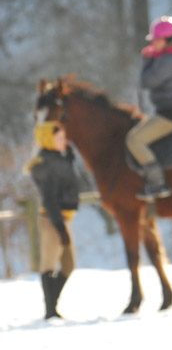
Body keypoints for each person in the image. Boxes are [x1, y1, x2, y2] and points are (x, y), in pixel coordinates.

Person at [125, 16, 172, 201]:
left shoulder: (170, 59)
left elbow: (146, 81)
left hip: (171, 115)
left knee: (134, 140)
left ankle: (157, 184)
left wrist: (147, 60)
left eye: (157, 39)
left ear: (168, 40)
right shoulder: (171, 56)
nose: (153, 43)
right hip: (168, 111)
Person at [26, 121, 79, 319]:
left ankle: (52, 305)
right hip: (52, 220)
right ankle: (50, 310)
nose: (64, 141)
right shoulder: (45, 165)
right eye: (59, 139)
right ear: (48, 140)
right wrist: (60, 227)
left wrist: (70, 155)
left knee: (69, 265)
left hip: (62, 218)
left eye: (64, 137)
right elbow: (49, 199)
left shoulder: (58, 158)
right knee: (49, 265)